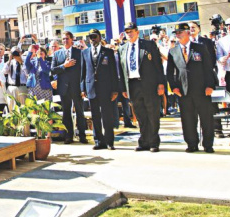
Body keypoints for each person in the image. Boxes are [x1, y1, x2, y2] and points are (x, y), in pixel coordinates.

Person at [166, 23, 217, 153]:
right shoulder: (173, 51)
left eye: (180, 32)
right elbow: (170, 72)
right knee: (188, 119)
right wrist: (173, 87)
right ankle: (191, 143)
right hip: (183, 91)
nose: (178, 35)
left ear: (188, 33)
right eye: (176, 33)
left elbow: (208, 67)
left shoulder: (200, 48)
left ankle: (208, 144)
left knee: (206, 118)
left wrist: (210, 85)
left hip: (202, 90)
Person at [119, 22, 165, 152]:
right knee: (140, 114)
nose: (129, 34)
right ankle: (144, 141)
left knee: (152, 113)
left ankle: (154, 142)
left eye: (131, 31)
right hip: (132, 85)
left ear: (137, 32)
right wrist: (123, 88)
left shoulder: (148, 45)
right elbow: (122, 70)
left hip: (149, 84)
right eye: (127, 32)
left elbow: (158, 65)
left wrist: (161, 83)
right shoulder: (122, 48)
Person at [81, 29, 122, 150]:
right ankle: (98, 141)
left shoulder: (108, 52)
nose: (92, 39)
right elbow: (83, 72)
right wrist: (83, 88)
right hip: (91, 88)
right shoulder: (85, 52)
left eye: (94, 36)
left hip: (106, 88)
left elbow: (114, 72)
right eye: (90, 37)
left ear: (99, 37)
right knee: (95, 116)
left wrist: (115, 89)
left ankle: (109, 141)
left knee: (107, 116)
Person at [52, 31, 87, 144]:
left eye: (67, 38)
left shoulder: (79, 53)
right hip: (64, 88)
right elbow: (52, 71)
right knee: (66, 113)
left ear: (72, 39)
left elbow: (83, 71)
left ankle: (82, 135)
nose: (65, 41)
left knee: (80, 112)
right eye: (63, 39)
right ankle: (68, 136)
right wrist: (64, 66)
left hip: (76, 87)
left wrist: (83, 88)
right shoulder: (57, 54)